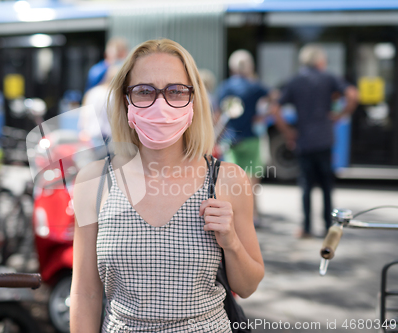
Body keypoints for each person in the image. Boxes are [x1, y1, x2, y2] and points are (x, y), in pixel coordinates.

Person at [70, 39, 264, 332]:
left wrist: (231, 243)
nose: (161, 104)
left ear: (193, 99)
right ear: (126, 100)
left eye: (175, 91)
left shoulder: (228, 179)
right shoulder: (93, 183)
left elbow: (248, 286)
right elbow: (85, 293)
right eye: (145, 91)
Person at [271, 44, 359, 238]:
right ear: (320, 61)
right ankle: (329, 227)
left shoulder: (295, 81)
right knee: (327, 186)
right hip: (325, 139)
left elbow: (275, 109)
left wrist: (288, 132)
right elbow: (352, 95)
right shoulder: (329, 77)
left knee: (306, 187)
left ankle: (307, 227)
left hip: (304, 140)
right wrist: (340, 114)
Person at [215, 50, 271, 226]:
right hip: (251, 138)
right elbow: (275, 101)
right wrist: (263, 116)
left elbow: (217, 114)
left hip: (231, 140)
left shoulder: (225, 87)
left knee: (233, 181)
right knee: (252, 181)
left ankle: (233, 217)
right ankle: (252, 216)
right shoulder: (256, 87)